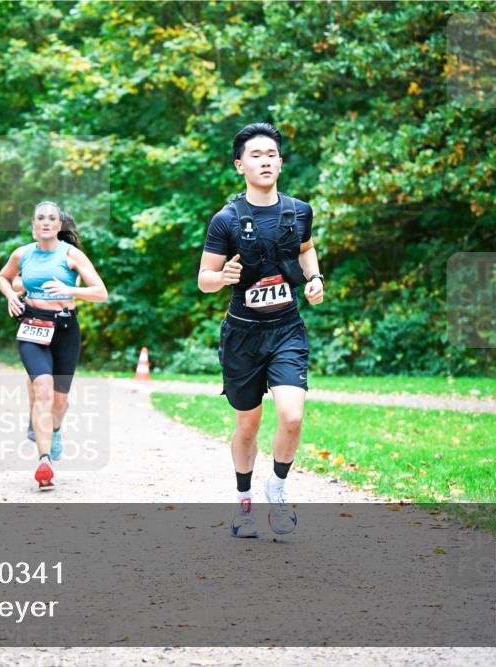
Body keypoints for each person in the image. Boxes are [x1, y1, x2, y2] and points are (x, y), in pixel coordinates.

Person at [197, 122, 324, 537]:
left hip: (287, 329)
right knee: (247, 425)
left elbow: (306, 250)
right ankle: (244, 503)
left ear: (281, 163)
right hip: (243, 335)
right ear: (239, 165)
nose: (265, 160)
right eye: (256, 155)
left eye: (271, 154)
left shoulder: (299, 211)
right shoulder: (226, 220)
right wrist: (225, 276)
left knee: (292, 415)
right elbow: (204, 279)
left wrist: (315, 278)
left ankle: (280, 488)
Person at [0, 201, 108, 490]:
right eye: (40, 218)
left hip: (65, 328)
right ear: (34, 225)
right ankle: (43, 460)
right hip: (32, 326)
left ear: (59, 225)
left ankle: (54, 429)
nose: (45, 222)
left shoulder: (72, 256)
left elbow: (101, 292)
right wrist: (11, 294)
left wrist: (70, 289)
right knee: (42, 389)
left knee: (60, 401)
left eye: (51, 218)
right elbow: (3, 277)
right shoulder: (21, 254)